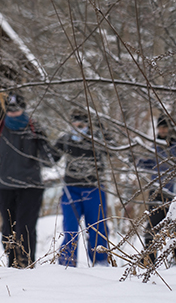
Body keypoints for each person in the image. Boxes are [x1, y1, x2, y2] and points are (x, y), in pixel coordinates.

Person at [0, 93, 56, 268]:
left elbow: (49, 159)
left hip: (31, 187)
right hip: (6, 187)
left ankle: (26, 264)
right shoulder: (0, 128)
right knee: (8, 230)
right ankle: (12, 264)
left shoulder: (34, 128)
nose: (13, 113)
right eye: (10, 110)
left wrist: (51, 149)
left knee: (25, 228)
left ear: (23, 109)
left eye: (17, 110)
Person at [53, 109, 111, 267]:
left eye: (82, 124)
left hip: (94, 189)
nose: (79, 128)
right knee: (70, 229)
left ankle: (100, 262)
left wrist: (103, 131)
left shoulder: (97, 138)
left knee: (97, 228)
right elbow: (50, 158)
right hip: (71, 189)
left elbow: (111, 151)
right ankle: (66, 264)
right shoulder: (66, 139)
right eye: (75, 124)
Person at [136, 116, 176, 267]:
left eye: (165, 127)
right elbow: (148, 164)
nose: (163, 130)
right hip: (157, 192)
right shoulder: (156, 146)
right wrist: (136, 159)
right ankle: (149, 259)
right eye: (160, 128)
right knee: (153, 227)